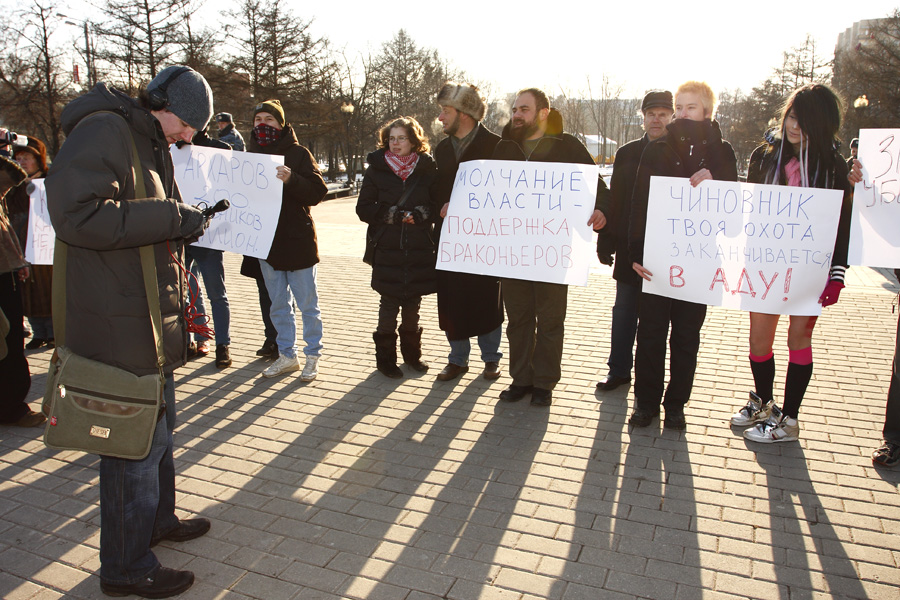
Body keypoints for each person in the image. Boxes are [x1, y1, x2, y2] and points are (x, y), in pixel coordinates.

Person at [44, 65, 214, 598]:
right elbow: (75, 215)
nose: (189, 136)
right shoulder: (105, 129)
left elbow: (138, 218)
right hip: (115, 319)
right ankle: (125, 565)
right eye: (186, 124)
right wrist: (169, 216)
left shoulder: (146, 138)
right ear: (159, 101)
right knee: (131, 446)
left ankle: (157, 522)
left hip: (144, 313)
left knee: (158, 434)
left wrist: (185, 221)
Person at [731, 84, 852, 443]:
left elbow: (842, 224)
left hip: (811, 267)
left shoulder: (834, 166)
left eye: (805, 120)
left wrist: (837, 275)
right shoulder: (764, 155)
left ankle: (790, 420)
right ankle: (764, 403)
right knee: (759, 339)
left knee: (798, 338)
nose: (794, 125)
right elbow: (749, 210)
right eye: (792, 116)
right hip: (766, 262)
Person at [628, 81, 738, 429]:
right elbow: (639, 204)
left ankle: (676, 403)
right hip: (657, 261)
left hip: (700, 262)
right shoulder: (658, 148)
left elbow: (733, 215)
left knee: (687, 337)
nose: (680, 114)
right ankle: (646, 403)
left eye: (690, 107)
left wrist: (716, 180)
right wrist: (634, 252)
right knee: (650, 334)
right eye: (678, 106)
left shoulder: (723, 153)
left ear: (707, 111)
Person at [491, 88, 609, 407]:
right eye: (515, 108)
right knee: (518, 319)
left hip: (554, 251)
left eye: (524, 109)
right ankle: (520, 379)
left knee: (550, 319)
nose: (517, 114)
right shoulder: (503, 147)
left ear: (543, 113)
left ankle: (544, 383)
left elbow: (597, 186)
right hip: (512, 252)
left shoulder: (566, 145)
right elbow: (482, 190)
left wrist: (602, 210)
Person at [595, 90, 674, 392]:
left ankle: (649, 377)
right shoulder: (627, 153)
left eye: (663, 114)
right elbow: (616, 200)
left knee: (655, 322)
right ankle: (618, 370)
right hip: (629, 248)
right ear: (643, 117)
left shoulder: (676, 152)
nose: (656, 119)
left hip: (663, 251)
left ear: (671, 117)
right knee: (624, 313)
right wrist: (606, 242)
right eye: (651, 113)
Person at [247, 100, 328, 380]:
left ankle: (313, 356)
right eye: (258, 119)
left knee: (307, 304)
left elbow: (318, 192)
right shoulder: (249, 156)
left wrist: (293, 179)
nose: (263, 124)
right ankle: (287, 355)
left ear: (281, 125)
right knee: (278, 304)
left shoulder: (298, 154)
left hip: (298, 242)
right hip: (266, 244)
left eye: (269, 119)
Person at [357, 116, 438, 378]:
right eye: (391, 138)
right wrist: (391, 214)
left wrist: (422, 213)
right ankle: (385, 361)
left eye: (401, 138)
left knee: (413, 305)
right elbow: (363, 208)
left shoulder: (428, 169)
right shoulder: (376, 169)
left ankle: (413, 357)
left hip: (418, 248)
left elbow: (438, 205)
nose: (395, 143)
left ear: (414, 141)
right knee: (388, 305)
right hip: (387, 248)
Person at [433, 82, 504, 382]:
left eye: (445, 111)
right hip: (450, 238)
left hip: (485, 239)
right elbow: (435, 190)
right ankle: (457, 359)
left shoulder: (497, 147)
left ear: (465, 114)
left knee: (486, 297)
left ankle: (491, 359)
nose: (440, 118)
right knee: (452, 299)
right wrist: (441, 205)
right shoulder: (441, 149)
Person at [179, 128, 233, 368]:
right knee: (185, 292)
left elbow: (233, 163)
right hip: (178, 233)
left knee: (216, 293)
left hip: (209, 235)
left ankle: (223, 344)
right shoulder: (171, 148)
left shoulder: (217, 148)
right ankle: (195, 337)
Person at [0, 155, 43, 427]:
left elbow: (4, 228)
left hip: (7, 272)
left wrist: (18, 261)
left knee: (11, 338)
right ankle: (11, 407)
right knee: (8, 342)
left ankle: (11, 404)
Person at [6, 137, 54, 349]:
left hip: (46, 244)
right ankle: (38, 332)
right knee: (29, 290)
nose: (22, 162)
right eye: (19, 158)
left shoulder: (49, 180)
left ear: (38, 159)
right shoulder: (15, 186)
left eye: (27, 158)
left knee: (48, 287)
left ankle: (53, 331)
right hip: (22, 243)